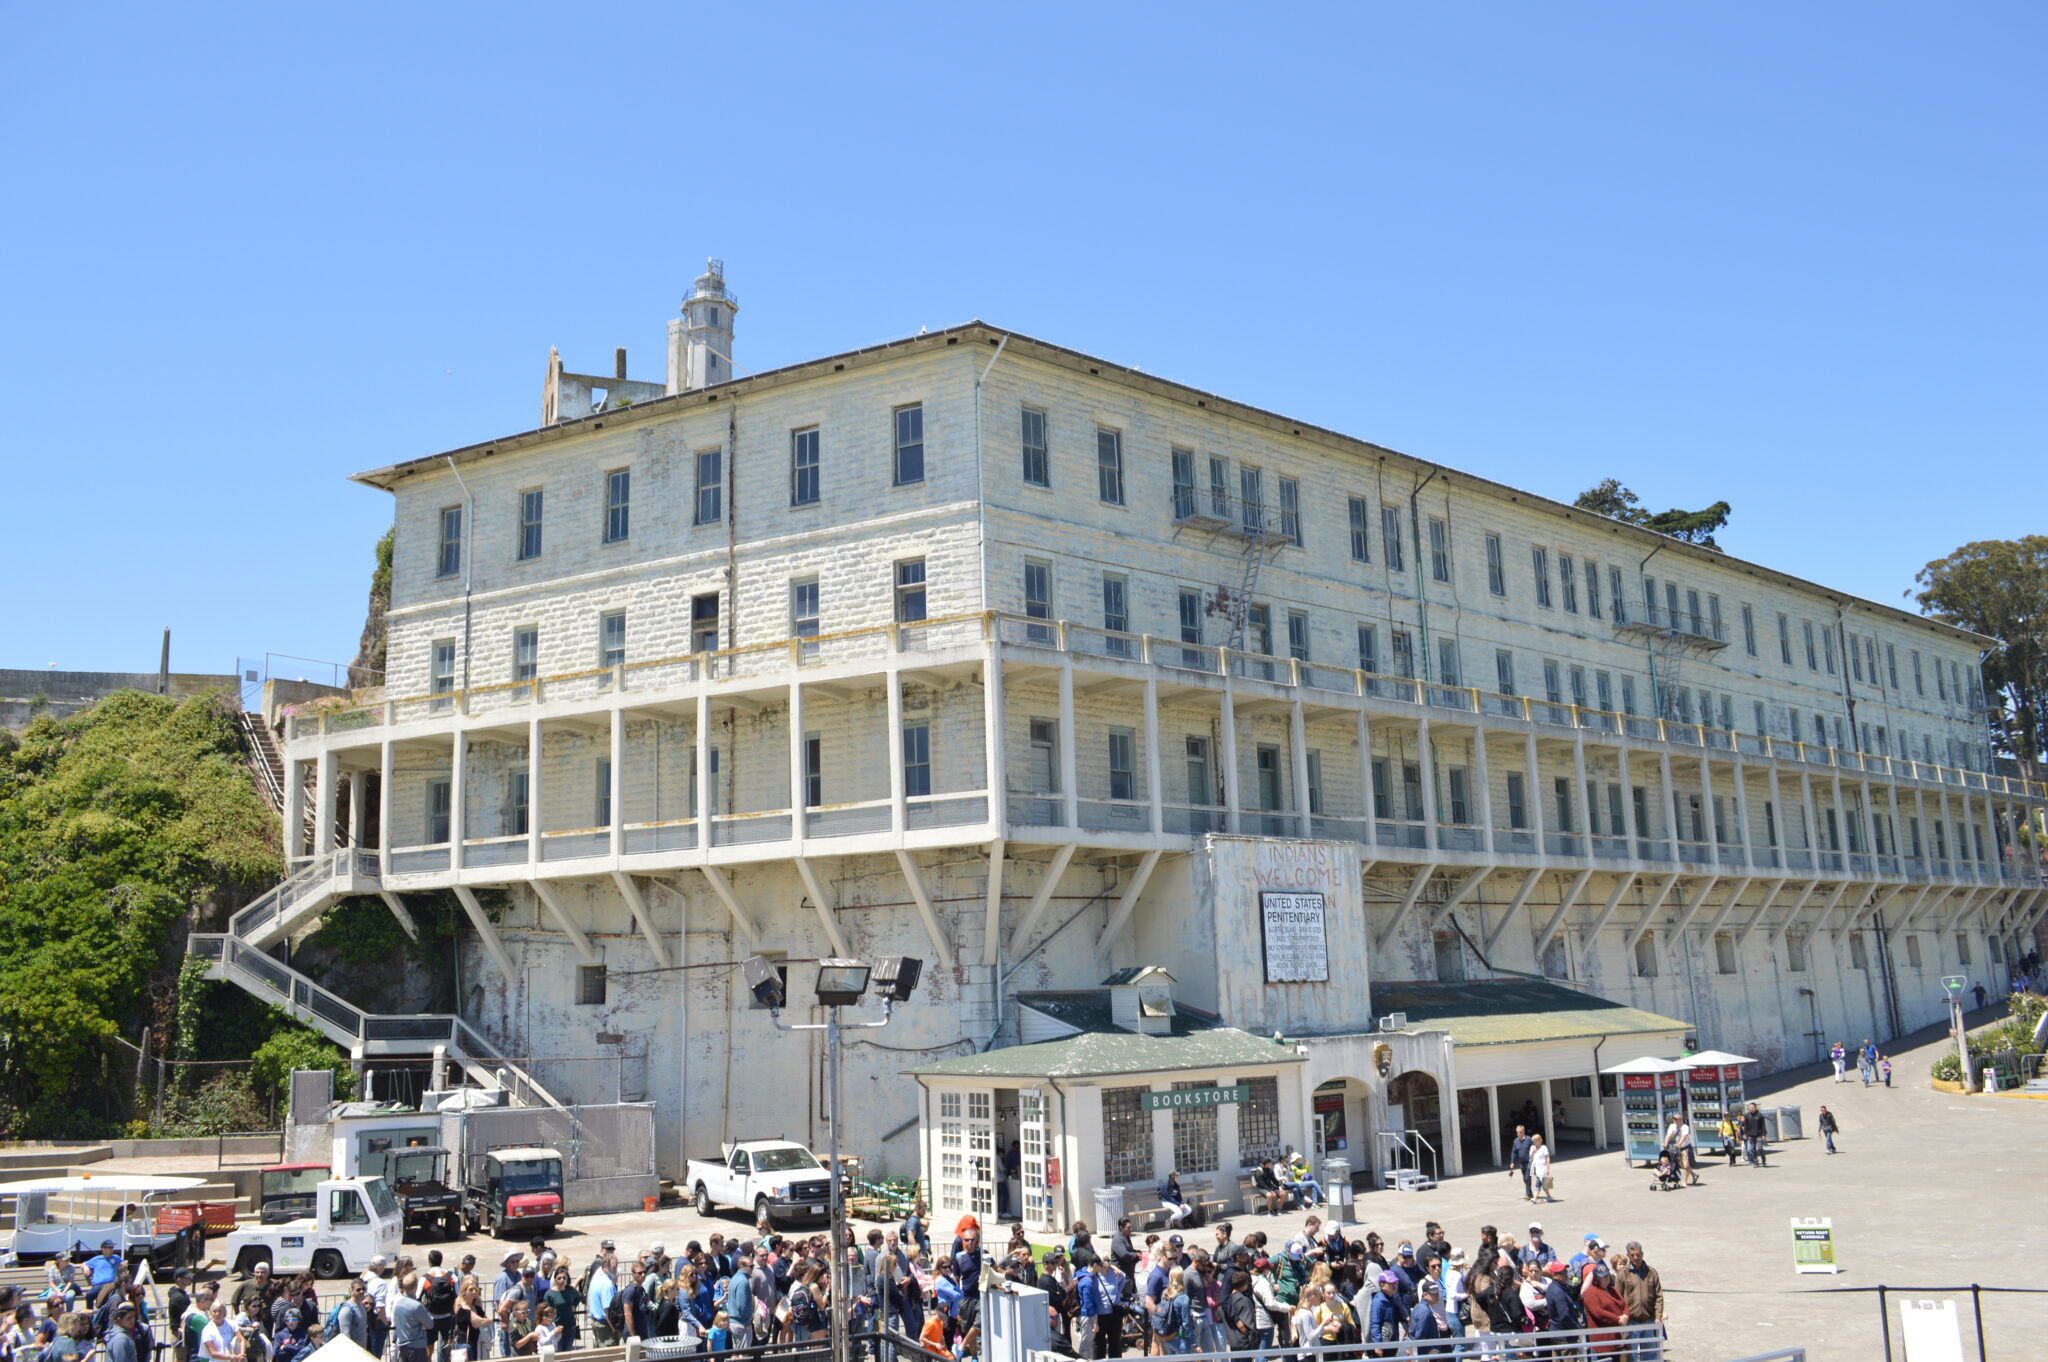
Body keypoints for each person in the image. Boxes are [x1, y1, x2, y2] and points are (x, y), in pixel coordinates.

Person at [1617, 1242, 1665, 1357]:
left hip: (1649, 1320)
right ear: (1628, 1255)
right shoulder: (1623, 1274)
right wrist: (1622, 1317)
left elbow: (1659, 1296)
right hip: (1631, 1321)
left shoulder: (1651, 1273)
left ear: (1642, 1254)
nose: (1635, 1257)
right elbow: (1618, 1297)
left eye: (1638, 1254)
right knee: (1631, 1356)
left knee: (1651, 1356)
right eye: (1632, 1255)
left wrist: (1658, 1316)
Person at [391, 1276, 432, 1362]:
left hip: (402, 1346)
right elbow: (430, 1324)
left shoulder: (398, 1303)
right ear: (416, 1287)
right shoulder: (417, 1306)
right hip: (416, 1347)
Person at [1509, 1124, 1534, 1201]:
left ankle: (1527, 1194)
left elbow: (1534, 1148)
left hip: (1530, 1162)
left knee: (1527, 1177)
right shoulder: (1515, 1141)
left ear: (1524, 1132)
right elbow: (1514, 1152)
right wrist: (1512, 1162)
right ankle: (1530, 1193)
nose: (1518, 1133)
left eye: (1520, 1132)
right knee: (1525, 1179)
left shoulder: (1529, 1139)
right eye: (1517, 1132)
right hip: (1522, 1163)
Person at [1528, 1134, 1554, 1203]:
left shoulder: (1544, 1148)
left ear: (1540, 1140)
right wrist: (1533, 1152)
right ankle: (1549, 1197)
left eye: (1536, 1141)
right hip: (1536, 1167)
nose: (1535, 1143)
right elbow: (1530, 1157)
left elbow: (1547, 1158)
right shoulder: (1532, 1147)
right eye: (1534, 1141)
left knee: (1539, 1182)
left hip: (1543, 1167)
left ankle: (1535, 1198)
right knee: (1543, 1183)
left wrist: (1548, 1168)